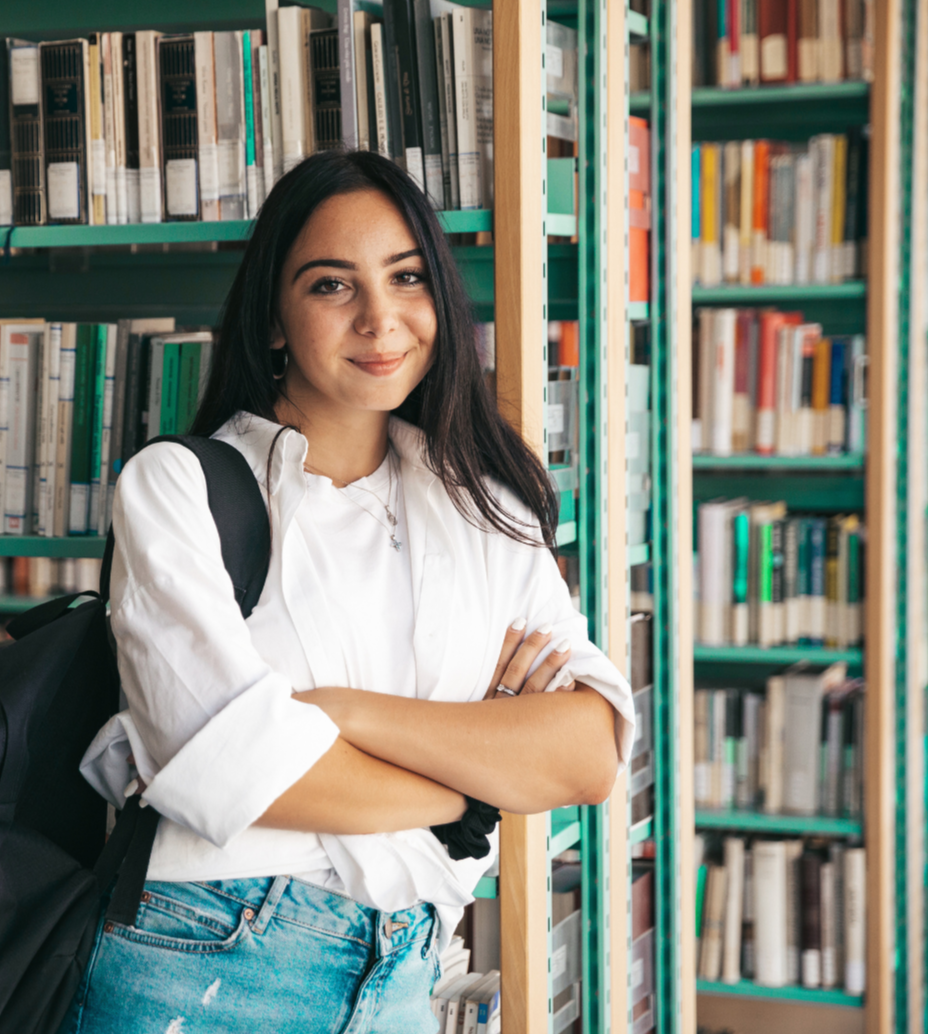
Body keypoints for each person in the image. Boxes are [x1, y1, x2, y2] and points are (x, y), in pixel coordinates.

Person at [63, 150, 634, 1034]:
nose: (380, 319)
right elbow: (238, 771)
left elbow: (586, 753)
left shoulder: (481, 504)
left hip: (402, 972)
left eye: (405, 278)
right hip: (205, 963)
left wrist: (340, 715)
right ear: (276, 320)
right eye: (332, 286)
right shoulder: (176, 486)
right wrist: (471, 786)